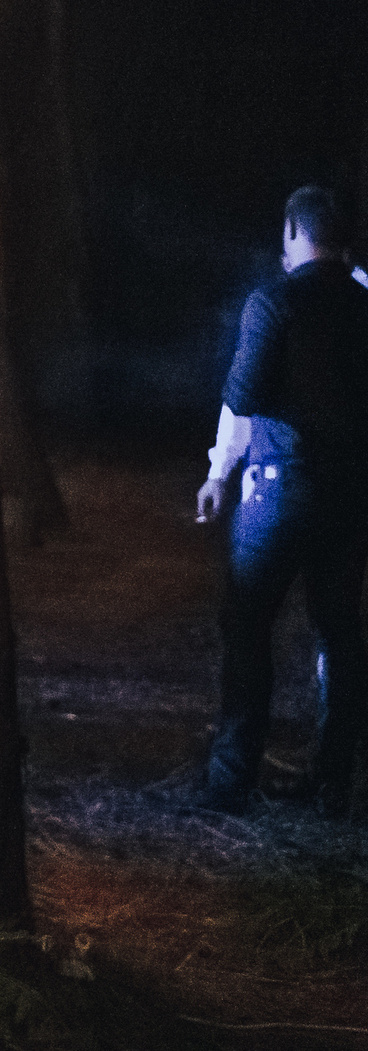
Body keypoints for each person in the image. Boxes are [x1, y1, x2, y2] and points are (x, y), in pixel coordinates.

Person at [193, 184, 368, 816]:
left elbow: (242, 397)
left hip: (278, 483)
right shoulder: (363, 302)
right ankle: (334, 779)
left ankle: (231, 777)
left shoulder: (275, 301)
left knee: (247, 626)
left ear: (293, 233)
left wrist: (218, 473)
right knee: (340, 629)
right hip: (349, 491)